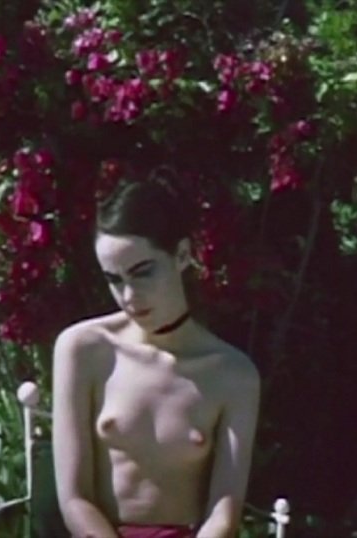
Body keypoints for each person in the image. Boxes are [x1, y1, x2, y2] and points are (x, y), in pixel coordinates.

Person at [52, 177, 261, 538]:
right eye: (114, 280)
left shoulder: (233, 374)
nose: (129, 296)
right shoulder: (84, 349)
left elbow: (224, 512)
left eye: (143, 273)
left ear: (181, 255)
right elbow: (74, 499)